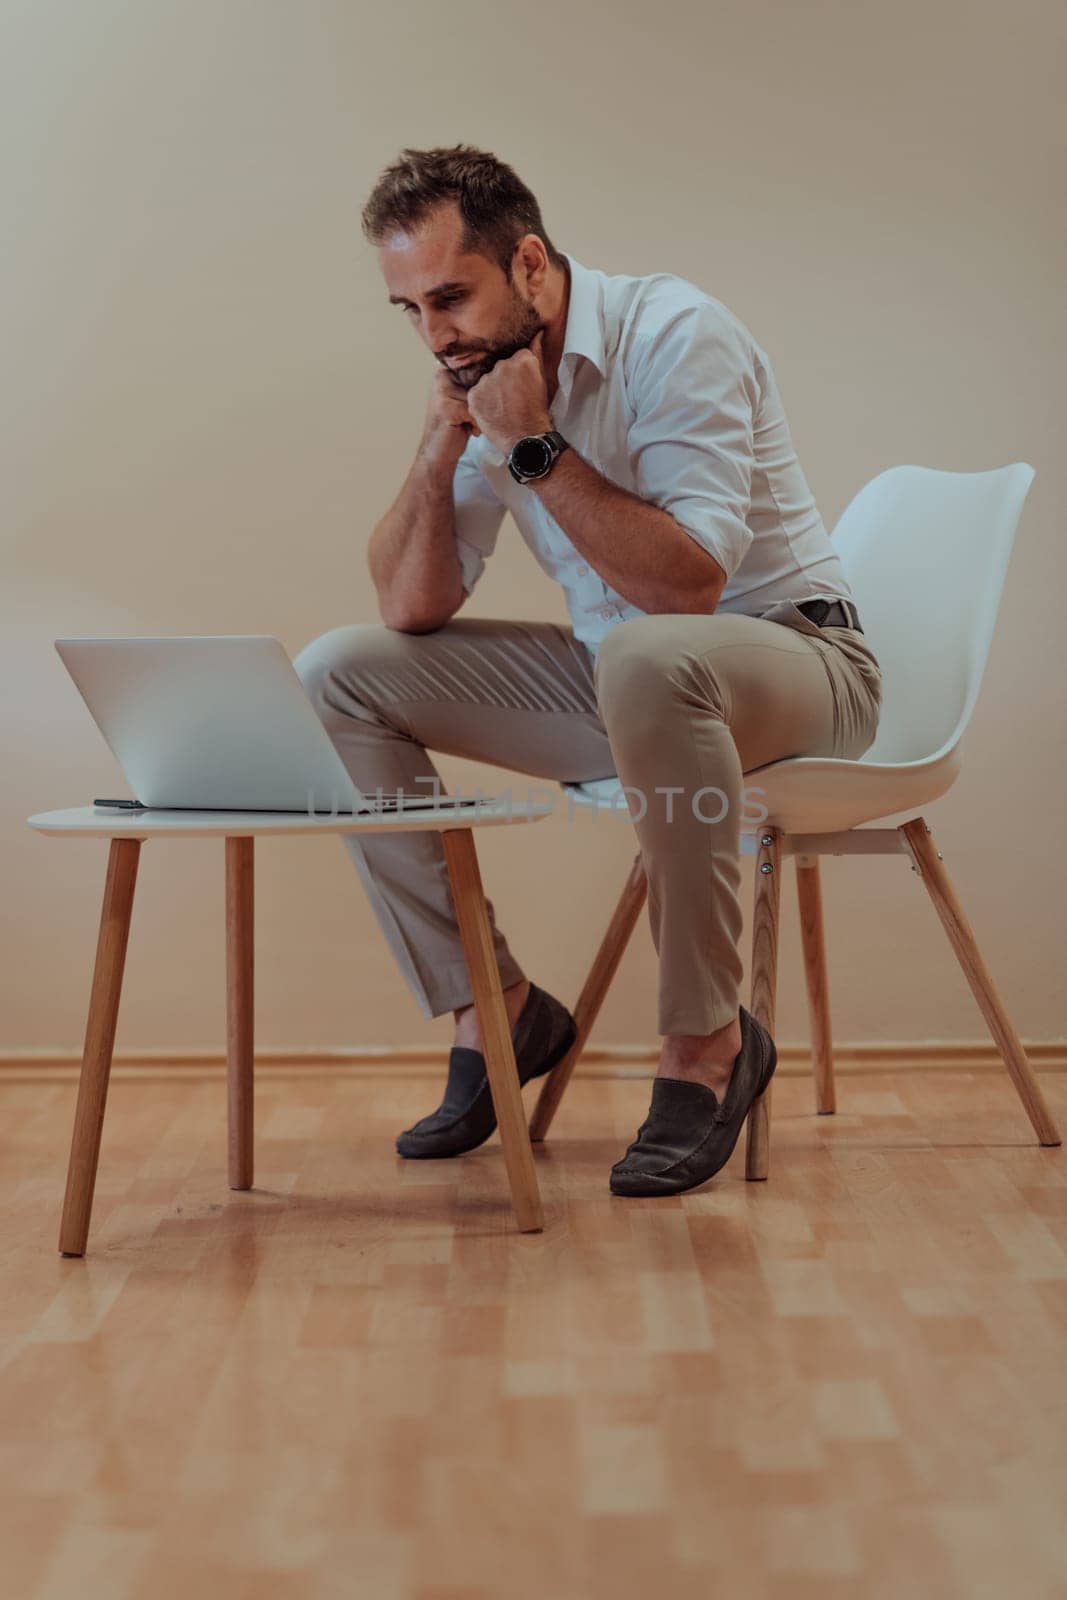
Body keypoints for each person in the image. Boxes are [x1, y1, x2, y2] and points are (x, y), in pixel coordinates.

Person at [292, 143, 884, 1197]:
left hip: (799, 664)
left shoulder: (675, 335)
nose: (436, 335)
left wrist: (530, 448)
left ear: (526, 265)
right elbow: (409, 605)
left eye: (449, 298)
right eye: (410, 312)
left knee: (653, 655)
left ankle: (707, 1042)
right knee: (338, 670)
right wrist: (445, 443)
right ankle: (500, 1009)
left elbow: (687, 589)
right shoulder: (482, 377)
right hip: (628, 678)